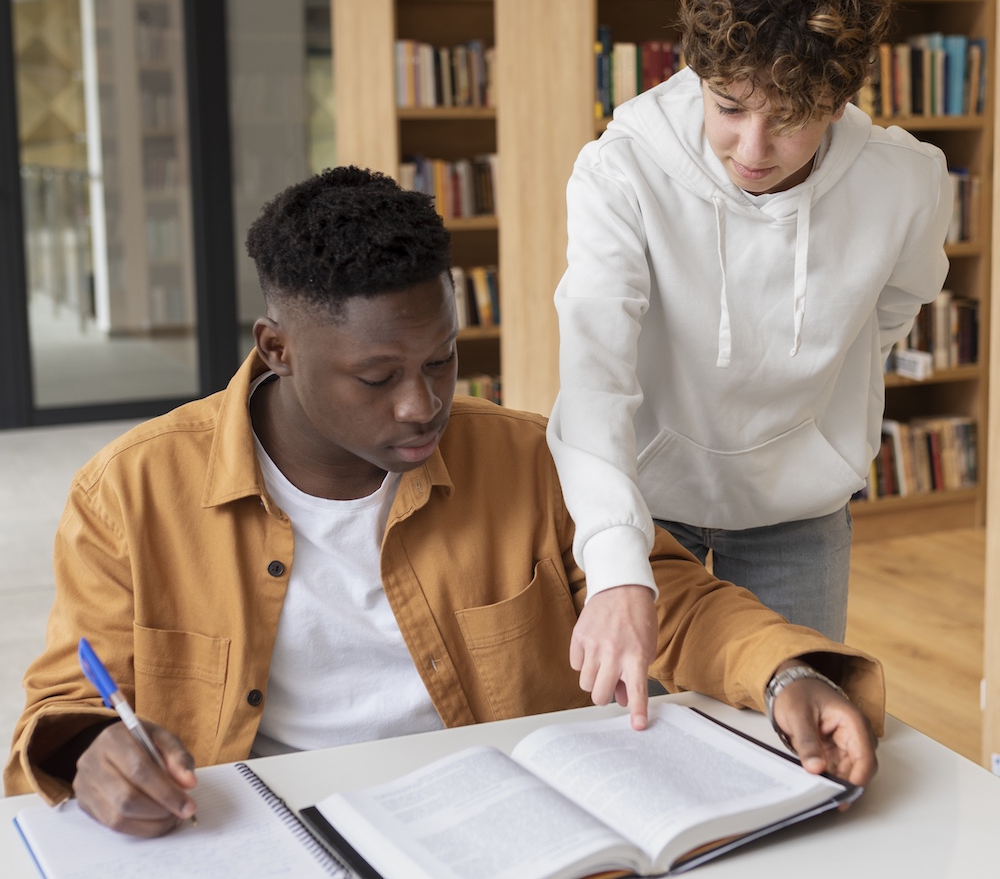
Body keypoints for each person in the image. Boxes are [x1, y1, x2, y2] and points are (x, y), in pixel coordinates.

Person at [6, 166, 882, 838]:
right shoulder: (129, 494)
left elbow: (671, 600)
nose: (421, 405)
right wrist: (90, 754)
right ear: (276, 348)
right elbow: (64, 706)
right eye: (378, 377)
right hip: (272, 838)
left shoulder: (530, 456)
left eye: (441, 361)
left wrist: (786, 673)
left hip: (503, 832)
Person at [547, 0, 951, 727]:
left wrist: (821, 406)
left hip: (800, 510)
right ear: (698, 73)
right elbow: (594, 380)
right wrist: (618, 564)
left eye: (792, 117)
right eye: (728, 106)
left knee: (790, 737)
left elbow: (893, 310)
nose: (753, 147)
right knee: (645, 744)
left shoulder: (907, 180)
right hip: (646, 504)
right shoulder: (621, 170)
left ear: (840, 99)